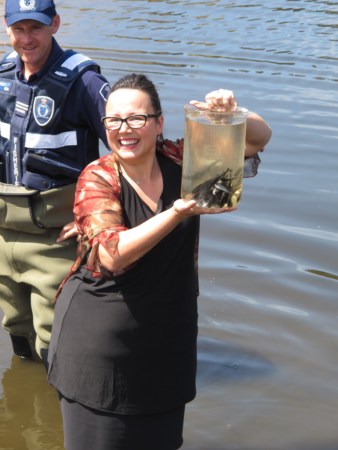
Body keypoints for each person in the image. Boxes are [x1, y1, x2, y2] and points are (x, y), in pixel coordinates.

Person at [47, 72, 272, 450]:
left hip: (169, 344)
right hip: (100, 353)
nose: (124, 129)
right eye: (114, 120)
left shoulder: (184, 159)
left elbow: (257, 139)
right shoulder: (98, 177)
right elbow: (111, 255)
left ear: (158, 122)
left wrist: (233, 114)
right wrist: (176, 213)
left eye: (136, 118)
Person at [0, 0, 110, 364]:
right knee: (17, 332)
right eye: (19, 28)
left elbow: (131, 154)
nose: (27, 38)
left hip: (58, 238)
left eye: (36, 27)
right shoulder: (1, 76)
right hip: (4, 235)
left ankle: (61, 415)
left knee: (58, 344)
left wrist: (98, 219)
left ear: (55, 24)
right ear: (6, 28)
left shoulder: (85, 82)